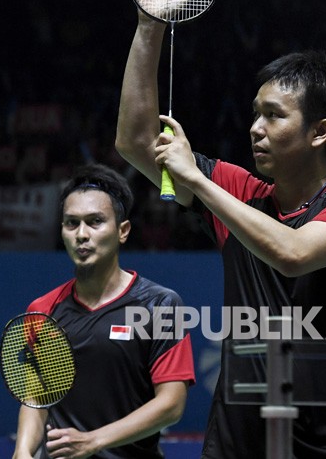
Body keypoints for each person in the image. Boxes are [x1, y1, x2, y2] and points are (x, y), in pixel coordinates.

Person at [115, 0, 326, 458]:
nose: (255, 128)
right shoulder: (240, 191)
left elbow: (291, 253)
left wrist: (195, 181)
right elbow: (134, 141)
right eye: (254, 113)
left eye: (273, 116)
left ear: (318, 132)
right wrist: (149, 25)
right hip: (236, 446)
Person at [13, 164, 196, 459]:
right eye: (71, 224)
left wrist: (92, 441)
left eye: (95, 221)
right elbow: (37, 398)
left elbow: (171, 405)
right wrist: (22, 452)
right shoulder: (42, 310)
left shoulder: (161, 305)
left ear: (122, 231)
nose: (81, 234)